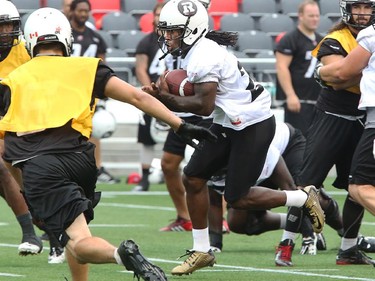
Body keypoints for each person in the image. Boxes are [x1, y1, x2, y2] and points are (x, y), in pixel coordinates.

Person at [0, 7, 216, 281]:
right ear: (66, 39)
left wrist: (25, 191)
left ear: (30, 42)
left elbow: (8, 152)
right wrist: (180, 125)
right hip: (82, 160)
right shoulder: (87, 68)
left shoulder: (11, 82)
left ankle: (120, 254)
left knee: (77, 241)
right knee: (77, 234)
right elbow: (137, 97)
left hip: (43, 168)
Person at [143, 0, 325, 275]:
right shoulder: (197, 49)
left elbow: (203, 105)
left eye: (174, 31)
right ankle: (202, 250)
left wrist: (163, 98)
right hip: (231, 120)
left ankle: (301, 198)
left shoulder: (204, 55)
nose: (168, 36)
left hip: (252, 124)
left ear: (191, 29)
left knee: (238, 198)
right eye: (166, 31)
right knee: (192, 176)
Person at [310, 0, 375, 266]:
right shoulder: (336, 37)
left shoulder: (370, 34)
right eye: (357, 6)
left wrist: (320, 72)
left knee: (359, 186)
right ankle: (348, 250)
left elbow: (344, 71)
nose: (362, 12)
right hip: (351, 117)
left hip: (369, 119)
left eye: (367, 7)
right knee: (356, 186)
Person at [208, 122, 319, 254]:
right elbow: (214, 200)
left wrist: (307, 237)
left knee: (301, 191)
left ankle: (329, 230)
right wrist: (215, 244)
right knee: (239, 221)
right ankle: (302, 225)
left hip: (287, 145)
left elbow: (290, 189)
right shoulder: (205, 162)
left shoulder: (255, 151)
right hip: (254, 161)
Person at [158, 0, 213, 231]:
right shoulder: (172, 36)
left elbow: (205, 99)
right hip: (182, 110)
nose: (168, 36)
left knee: (212, 169)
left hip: (204, 108)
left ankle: (218, 218)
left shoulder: (207, 46)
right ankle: (184, 216)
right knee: (169, 164)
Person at [0, 0, 43, 256]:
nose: (5, 32)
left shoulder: (25, 50)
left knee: (4, 167)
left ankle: (32, 231)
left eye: (9, 26)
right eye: (0, 26)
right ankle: (37, 228)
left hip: (22, 117)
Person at [69, 0, 120, 184]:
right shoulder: (66, 35)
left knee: (93, 129)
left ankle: (96, 167)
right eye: (80, 10)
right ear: (72, 11)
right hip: (67, 89)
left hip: (88, 91)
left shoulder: (96, 37)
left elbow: (102, 66)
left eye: (86, 11)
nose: (83, 14)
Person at [275, 0, 323, 136]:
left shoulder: (322, 40)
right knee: (299, 140)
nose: (315, 19)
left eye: (317, 16)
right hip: (298, 101)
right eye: (311, 16)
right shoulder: (290, 39)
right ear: (301, 16)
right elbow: (281, 67)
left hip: (318, 102)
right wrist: (290, 95)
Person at [133, 2, 166, 192]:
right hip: (151, 95)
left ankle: (180, 175)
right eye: (157, 15)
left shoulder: (178, 41)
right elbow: (140, 69)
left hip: (174, 96)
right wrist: (151, 90)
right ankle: (144, 179)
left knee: (178, 138)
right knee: (146, 138)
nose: (159, 18)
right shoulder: (146, 42)